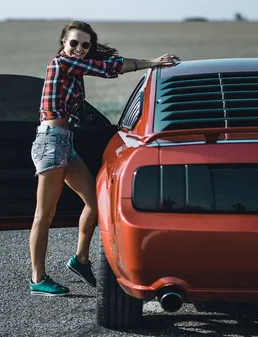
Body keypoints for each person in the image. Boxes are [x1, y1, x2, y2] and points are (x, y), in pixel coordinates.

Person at [29, 20, 180, 296]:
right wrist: (154, 62)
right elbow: (108, 69)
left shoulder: (74, 70)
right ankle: (38, 278)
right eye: (73, 43)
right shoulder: (62, 64)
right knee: (44, 213)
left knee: (95, 202)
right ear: (63, 43)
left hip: (65, 143)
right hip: (50, 142)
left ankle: (80, 259)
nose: (78, 49)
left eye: (85, 45)